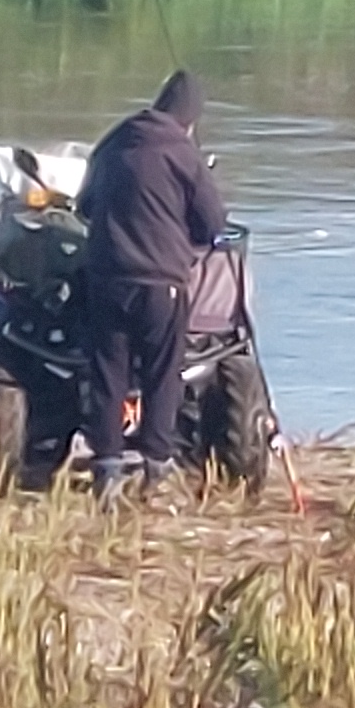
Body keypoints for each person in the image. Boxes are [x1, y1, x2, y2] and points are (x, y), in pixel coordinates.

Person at [74, 70, 227, 498]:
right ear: (190, 119)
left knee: (109, 372)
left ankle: (106, 469)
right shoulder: (185, 153)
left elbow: (85, 206)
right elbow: (213, 223)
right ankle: (156, 467)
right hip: (163, 282)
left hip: (107, 276)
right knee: (163, 373)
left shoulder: (114, 142)